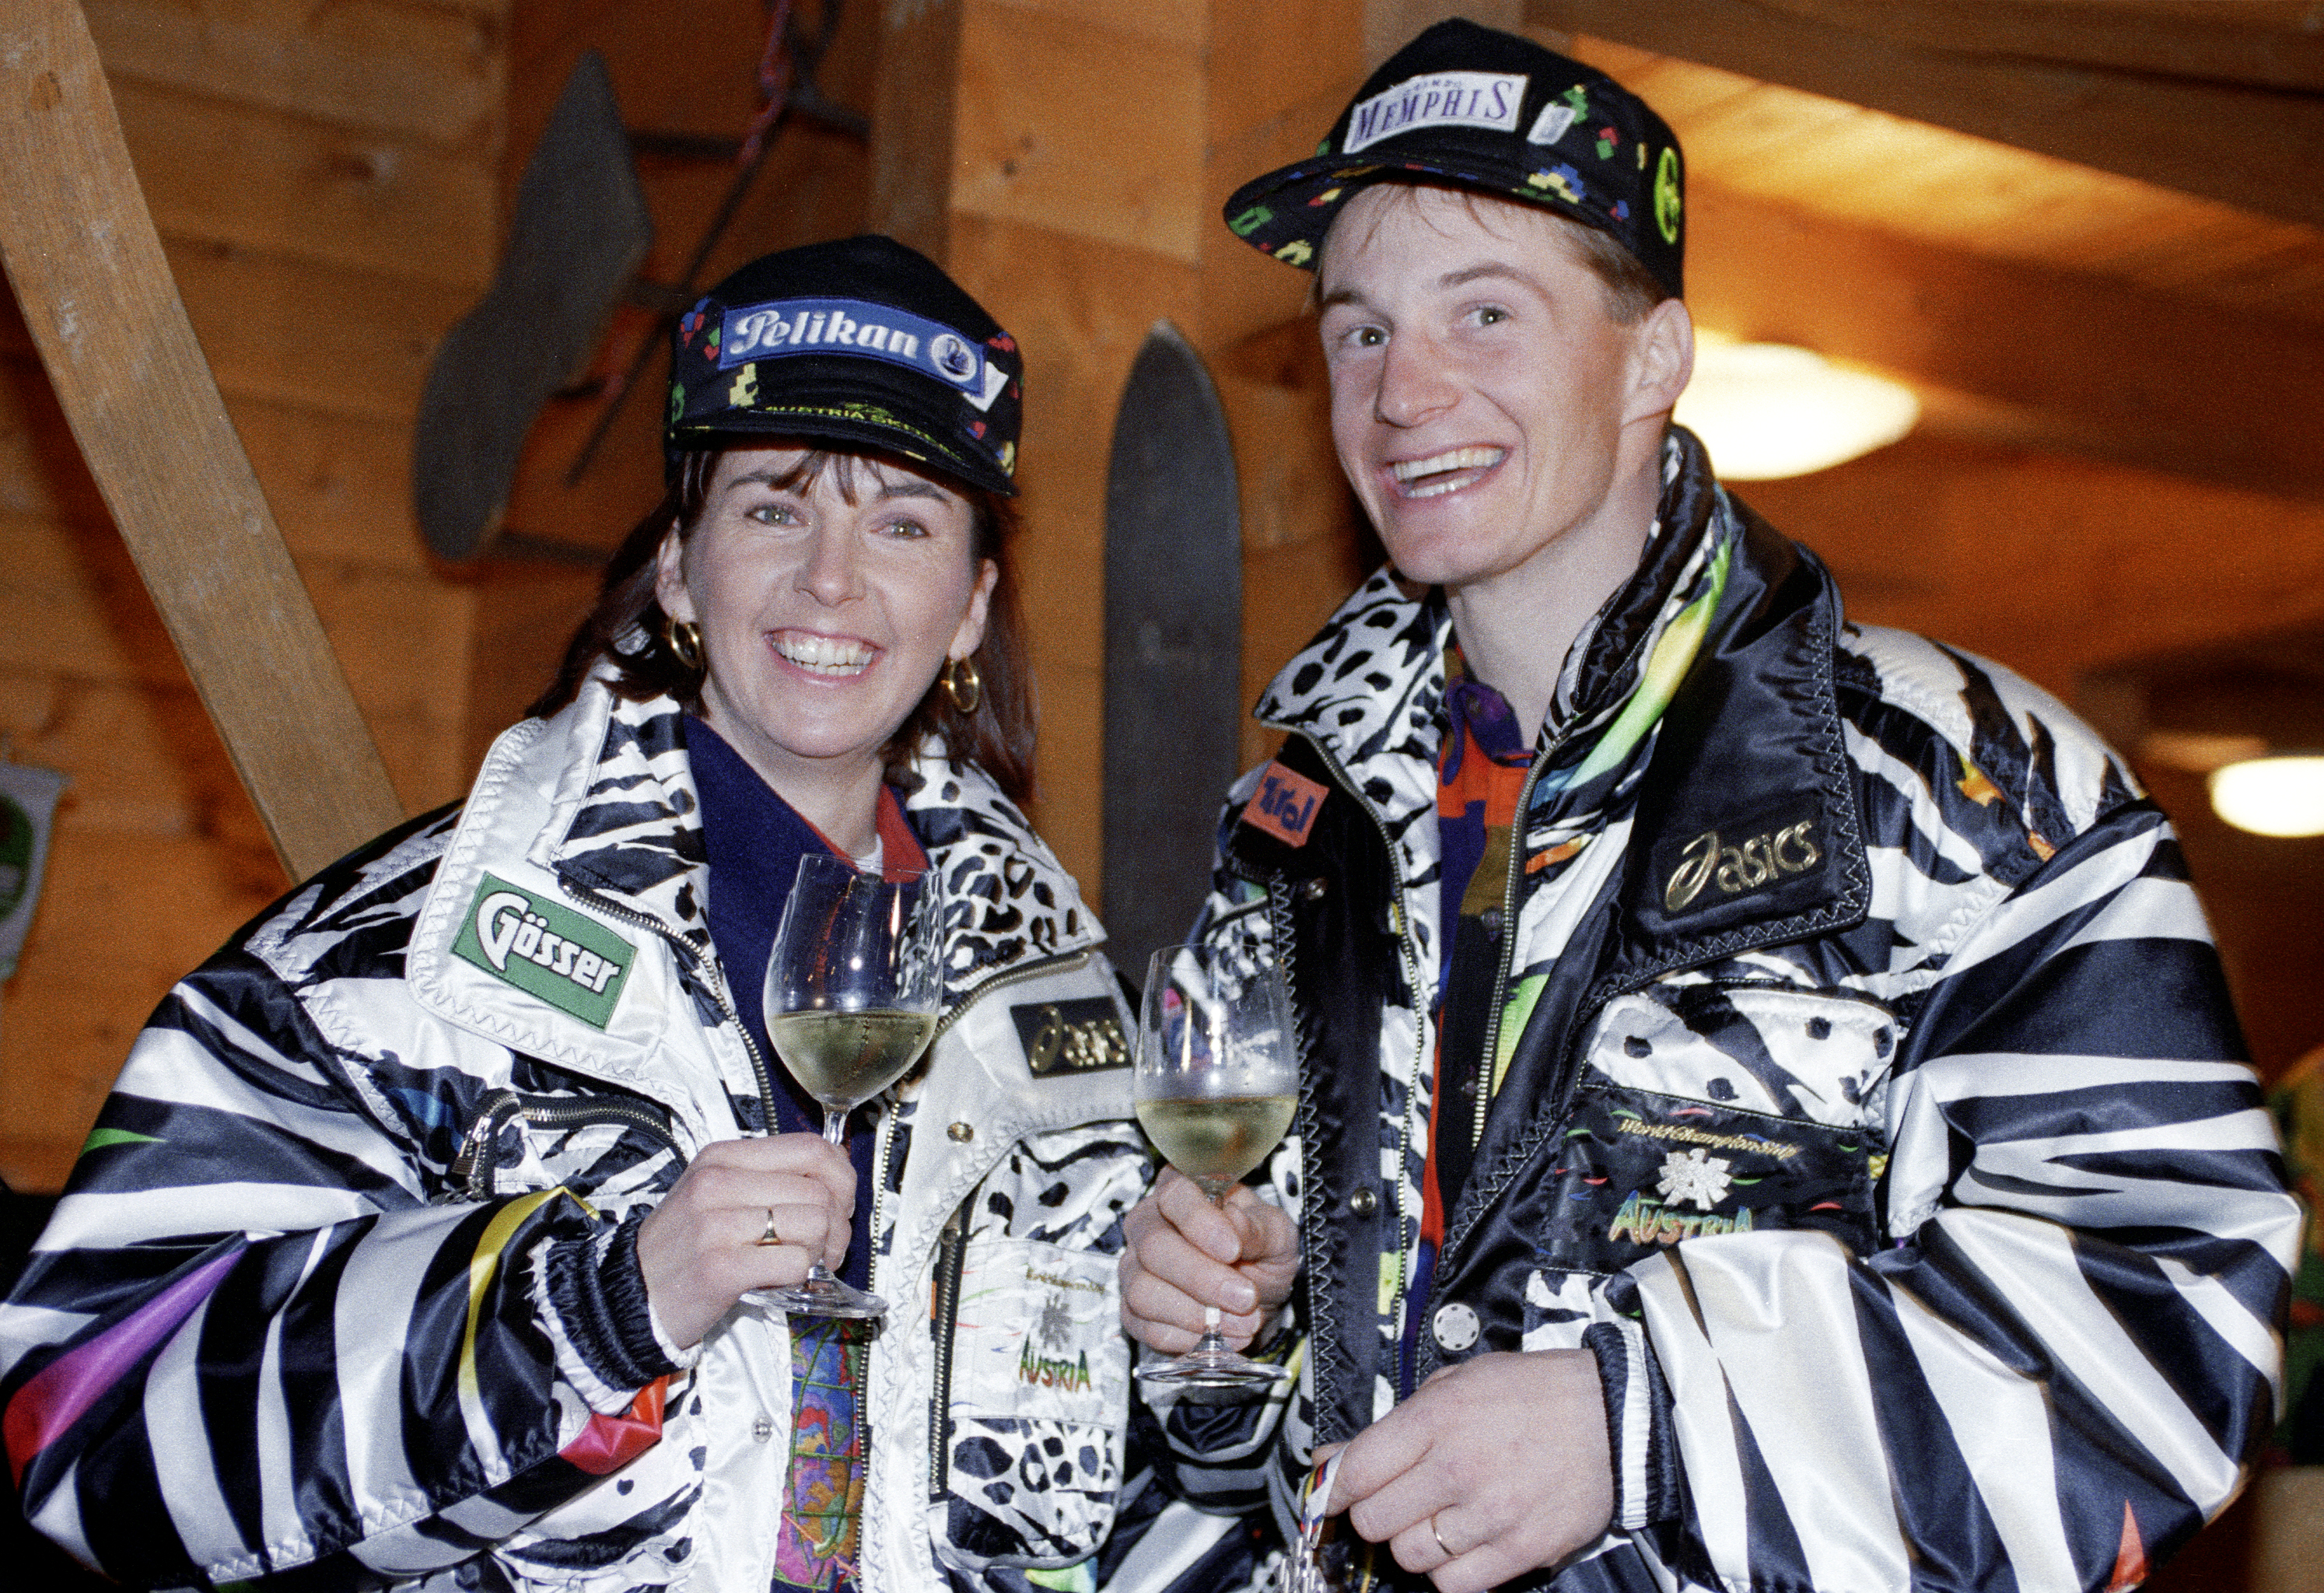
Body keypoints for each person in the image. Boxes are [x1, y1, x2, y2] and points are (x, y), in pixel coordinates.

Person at [1117, 19, 2300, 1593]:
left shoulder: (1974, 787)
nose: (1404, 390)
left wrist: (1650, 1420)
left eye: (1486, 312)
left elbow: (2169, 1325)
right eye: (1362, 329)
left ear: (1656, 356)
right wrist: (1223, 1339)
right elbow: (1226, 1471)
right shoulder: (1293, 829)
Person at [0, 236, 1154, 1593]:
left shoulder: (1060, 1024)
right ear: (679, 569)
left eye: (902, 522)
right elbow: (81, 1421)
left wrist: (1213, 1374)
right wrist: (599, 1308)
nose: (832, 579)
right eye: (774, 508)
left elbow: (1127, 1519)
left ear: (971, 607)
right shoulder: (405, 953)